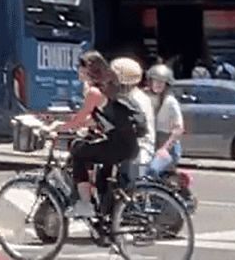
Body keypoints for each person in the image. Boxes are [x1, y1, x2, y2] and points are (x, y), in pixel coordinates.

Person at [57, 53, 152, 214]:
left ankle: (85, 205)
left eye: (80, 68)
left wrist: (55, 128)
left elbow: (79, 119)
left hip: (119, 146)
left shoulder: (94, 92)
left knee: (78, 152)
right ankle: (106, 218)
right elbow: (95, 119)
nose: (77, 72)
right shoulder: (107, 88)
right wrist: (66, 124)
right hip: (125, 144)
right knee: (102, 176)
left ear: (88, 70)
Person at [145, 64, 186, 178]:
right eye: (155, 81)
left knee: (151, 171)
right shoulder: (147, 98)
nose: (158, 84)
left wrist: (164, 149)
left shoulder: (170, 102)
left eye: (161, 82)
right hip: (152, 144)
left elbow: (179, 129)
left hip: (168, 147)